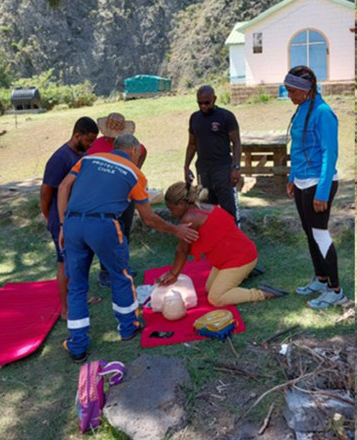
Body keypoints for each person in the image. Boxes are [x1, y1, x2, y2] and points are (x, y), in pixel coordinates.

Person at [56, 134, 198, 363]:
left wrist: (63, 223)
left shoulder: (89, 159)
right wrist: (176, 230)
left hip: (72, 222)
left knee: (77, 285)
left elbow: (63, 187)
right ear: (133, 150)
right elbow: (149, 218)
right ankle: (128, 326)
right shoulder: (135, 174)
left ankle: (77, 346)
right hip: (103, 225)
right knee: (120, 276)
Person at [155, 182, 288, 305]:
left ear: (182, 203)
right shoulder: (204, 207)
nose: (171, 213)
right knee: (209, 288)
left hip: (240, 258)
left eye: (171, 209)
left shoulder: (190, 218)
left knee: (215, 298)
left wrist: (173, 274)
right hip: (231, 257)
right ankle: (247, 272)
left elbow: (182, 250)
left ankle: (262, 294)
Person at [284, 66, 346, 309]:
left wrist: (321, 192)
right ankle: (321, 279)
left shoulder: (323, 113)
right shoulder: (301, 109)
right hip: (301, 181)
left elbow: (329, 154)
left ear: (305, 90)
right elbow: (297, 147)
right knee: (310, 233)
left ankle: (335, 290)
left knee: (320, 235)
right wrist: (292, 176)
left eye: (292, 91)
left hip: (318, 184)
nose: (289, 95)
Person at [40, 116, 99, 320]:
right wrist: (52, 220)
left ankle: (79, 297)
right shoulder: (60, 158)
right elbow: (46, 194)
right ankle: (66, 310)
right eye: (89, 140)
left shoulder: (82, 154)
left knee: (80, 261)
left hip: (79, 219)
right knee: (64, 264)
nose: (91, 144)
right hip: (62, 221)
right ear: (77, 135)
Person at [89, 112, 148, 288]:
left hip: (126, 194)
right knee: (107, 234)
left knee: (124, 231)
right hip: (104, 198)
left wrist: (135, 169)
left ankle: (122, 267)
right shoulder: (95, 146)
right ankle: (105, 272)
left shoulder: (131, 144)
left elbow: (143, 151)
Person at [184, 85, 242, 223]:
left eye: (207, 103)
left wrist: (236, 167)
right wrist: (186, 166)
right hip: (204, 170)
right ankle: (214, 240)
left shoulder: (226, 116)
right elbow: (192, 144)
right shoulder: (194, 118)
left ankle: (234, 240)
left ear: (214, 99)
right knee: (207, 208)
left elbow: (237, 143)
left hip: (223, 169)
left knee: (229, 209)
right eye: (200, 103)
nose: (203, 106)